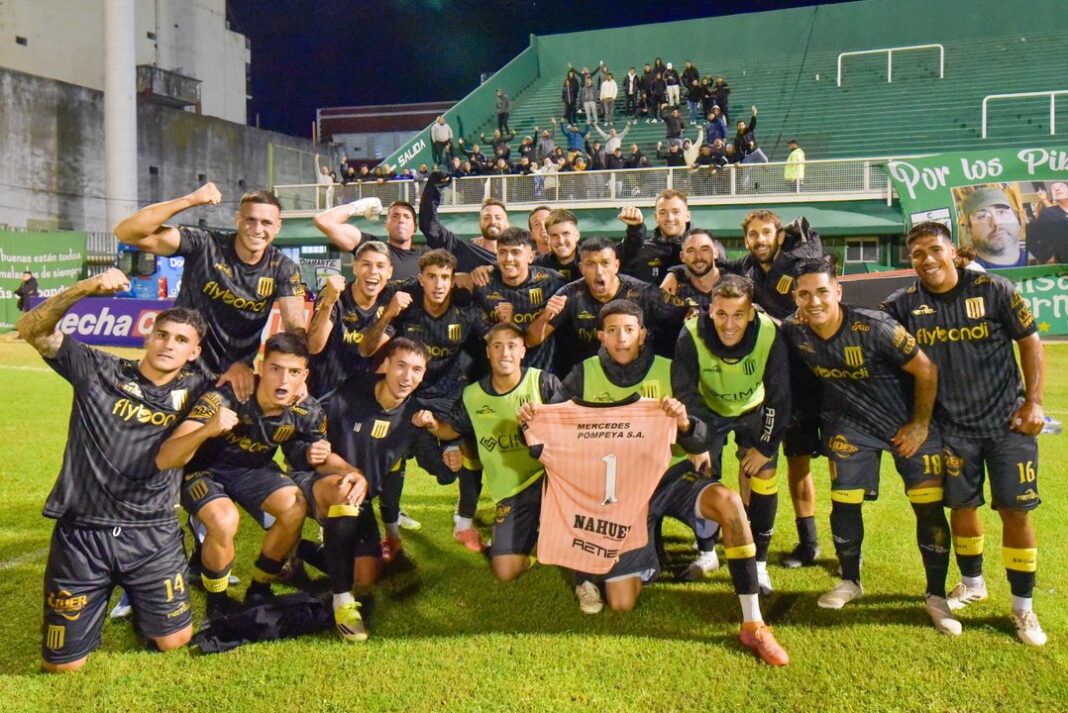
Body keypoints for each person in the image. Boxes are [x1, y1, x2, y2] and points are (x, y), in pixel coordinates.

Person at [18, 269, 211, 672]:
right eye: (162, 334)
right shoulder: (98, 370)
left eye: (181, 340)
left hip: (153, 533)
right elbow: (30, 327)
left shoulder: (201, 390)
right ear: (148, 334)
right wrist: (86, 288)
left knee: (175, 641)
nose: (168, 345)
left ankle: (143, 604)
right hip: (83, 532)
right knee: (63, 667)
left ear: (193, 352)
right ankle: (106, 598)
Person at [882, 221, 1048, 646]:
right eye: (917, 254)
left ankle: (1023, 609)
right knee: (963, 508)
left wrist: (1034, 402)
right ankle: (973, 583)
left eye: (934, 250)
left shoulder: (994, 289)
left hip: (1006, 423)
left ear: (953, 251)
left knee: (1014, 511)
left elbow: (1029, 340)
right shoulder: (903, 305)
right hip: (952, 429)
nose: (927, 260)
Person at [782, 257, 960, 636]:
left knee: (927, 507)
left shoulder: (874, 327)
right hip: (849, 425)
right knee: (844, 501)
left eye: (822, 292)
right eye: (805, 294)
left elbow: (926, 369)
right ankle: (850, 581)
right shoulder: (794, 330)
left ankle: (936, 595)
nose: (814, 301)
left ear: (839, 292)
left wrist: (920, 425)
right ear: (796, 297)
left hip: (904, 424)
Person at [664, 210, 825, 567]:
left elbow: (818, 267)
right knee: (749, 462)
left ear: (779, 236)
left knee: (797, 463)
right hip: (758, 378)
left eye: (766, 233)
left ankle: (809, 541)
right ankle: (743, 531)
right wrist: (675, 272)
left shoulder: (797, 262)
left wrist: (809, 241)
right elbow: (707, 265)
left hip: (801, 374)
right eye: (753, 234)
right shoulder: (746, 269)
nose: (760, 240)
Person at [157, 334, 324, 616]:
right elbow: (170, 452)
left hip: (252, 468)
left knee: (295, 507)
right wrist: (208, 429)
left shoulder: (308, 410)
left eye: (293, 372)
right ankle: (217, 600)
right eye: (275, 369)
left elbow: (301, 452)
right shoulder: (225, 396)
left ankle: (259, 589)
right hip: (203, 470)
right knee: (224, 520)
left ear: (304, 376)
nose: (283, 380)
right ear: (261, 366)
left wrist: (312, 453)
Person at [557, 300, 721, 584]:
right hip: (615, 484)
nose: (621, 338)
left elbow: (702, 427)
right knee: (626, 590)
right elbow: (557, 420)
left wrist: (688, 427)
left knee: (723, 499)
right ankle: (642, 550)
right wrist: (533, 418)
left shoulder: (669, 369)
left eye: (629, 330)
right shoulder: (583, 373)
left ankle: (723, 556)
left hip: (668, 474)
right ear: (601, 336)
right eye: (613, 330)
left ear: (642, 334)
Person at [113, 184, 306, 403]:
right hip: (179, 369)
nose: (257, 229)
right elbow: (126, 232)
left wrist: (298, 377)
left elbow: (295, 329)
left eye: (266, 222)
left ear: (278, 227)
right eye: (250, 220)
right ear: (237, 220)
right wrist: (191, 199)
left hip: (233, 377)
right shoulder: (205, 245)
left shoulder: (282, 268)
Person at [316, 338, 453, 640]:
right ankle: (342, 602)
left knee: (366, 575)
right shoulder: (350, 392)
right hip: (320, 482)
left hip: (360, 500)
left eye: (417, 370)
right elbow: (311, 421)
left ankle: (308, 550)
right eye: (401, 366)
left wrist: (450, 461)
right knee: (345, 490)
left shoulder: (414, 416)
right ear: (386, 365)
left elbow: (438, 470)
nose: (407, 377)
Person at [362, 250, 493, 552]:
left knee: (466, 455)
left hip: (453, 397)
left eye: (445, 277)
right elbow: (369, 348)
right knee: (392, 458)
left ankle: (464, 524)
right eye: (431, 277)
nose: (438, 284)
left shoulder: (466, 309)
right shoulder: (407, 307)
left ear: (452, 280)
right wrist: (389, 314)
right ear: (421, 279)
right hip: (411, 396)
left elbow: (495, 338)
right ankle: (391, 533)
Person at [672, 276, 792, 595]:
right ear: (710, 310)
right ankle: (707, 552)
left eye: (738, 314)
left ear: (751, 313)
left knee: (764, 476)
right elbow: (684, 392)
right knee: (703, 476)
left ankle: (760, 565)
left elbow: (780, 396)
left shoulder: (768, 332)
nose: (729, 324)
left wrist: (766, 447)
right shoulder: (692, 332)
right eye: (721, 314)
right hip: (709, 409)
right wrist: (697, 443)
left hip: (754, 410)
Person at [434, 323, 563, 582]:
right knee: (505, 570)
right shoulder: (472, 395)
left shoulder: (544, 383)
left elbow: (570, 434)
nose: (505, 353)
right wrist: (432, 426)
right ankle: (539, 545)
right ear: (488, 353)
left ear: (523, 351)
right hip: (512, 491)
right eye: (497, 346)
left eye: (512, 346)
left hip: (553, 482)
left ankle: (558, 531)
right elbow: (450, 430)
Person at [525, 237, 689, 372]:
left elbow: (688, 313)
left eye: (605, 263)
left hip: (638, 374)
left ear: (616, 266)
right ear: (581, 268)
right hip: (589, 376)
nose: (599, 271)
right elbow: (531, 340)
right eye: (591, 264)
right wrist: (545, 316)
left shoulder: (643, 292)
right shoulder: (569, 295)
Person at [305, 242, 396, 398]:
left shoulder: (390, 300)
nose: (373, 271)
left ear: (389, 272)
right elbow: (314, 346)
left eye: (380, 266)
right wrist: (328, 303)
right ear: (354, 268)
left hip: (359, 401)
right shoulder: (335, 293)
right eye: (366, 264)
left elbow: (368, 350)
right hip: (321, 394)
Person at [469, 228, 564, 371]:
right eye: (502, 252)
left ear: (531, 256)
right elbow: (490, 339)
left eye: (515, 252)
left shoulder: (553, 281)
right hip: (498, 374)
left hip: (541, 373)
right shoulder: (483, 285)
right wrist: (507, 324)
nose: (508, 259)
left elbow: (531, 341)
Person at [314, 197, 423, 280]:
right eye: (395, 216)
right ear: (386, 225)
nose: (401, 220)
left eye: (407, 216)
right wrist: (360, 205)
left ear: (415, 228)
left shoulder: (424, 262)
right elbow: (323, 221)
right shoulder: (371, 247)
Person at [420, 173, 508, 271]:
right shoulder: (461, 248)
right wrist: (434, 185)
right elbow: (430, 225)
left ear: (508, 224)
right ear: (479, 223)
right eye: (487, 217)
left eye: (498, 217)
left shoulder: (517, 257)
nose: (493, 221)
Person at [661, 228, 728, 311]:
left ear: (715, 253)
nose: (698, 257)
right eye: (691, 251)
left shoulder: (735, 285)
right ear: (682, 257)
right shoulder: (675, 293)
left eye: (704, 249)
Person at [960, 187, 1029, 268]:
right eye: (982, 216)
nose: (996, 222)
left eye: (1002, 212)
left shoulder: (1039, 261)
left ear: (1017, 220)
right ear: (969, 229)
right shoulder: (969, 276)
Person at [1027, 181, 1068, 264]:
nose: (1057, 188)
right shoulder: (1047, 214)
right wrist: (1047, 257)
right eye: (1053, 188)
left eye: (1060, 186)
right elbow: (1034, 238)